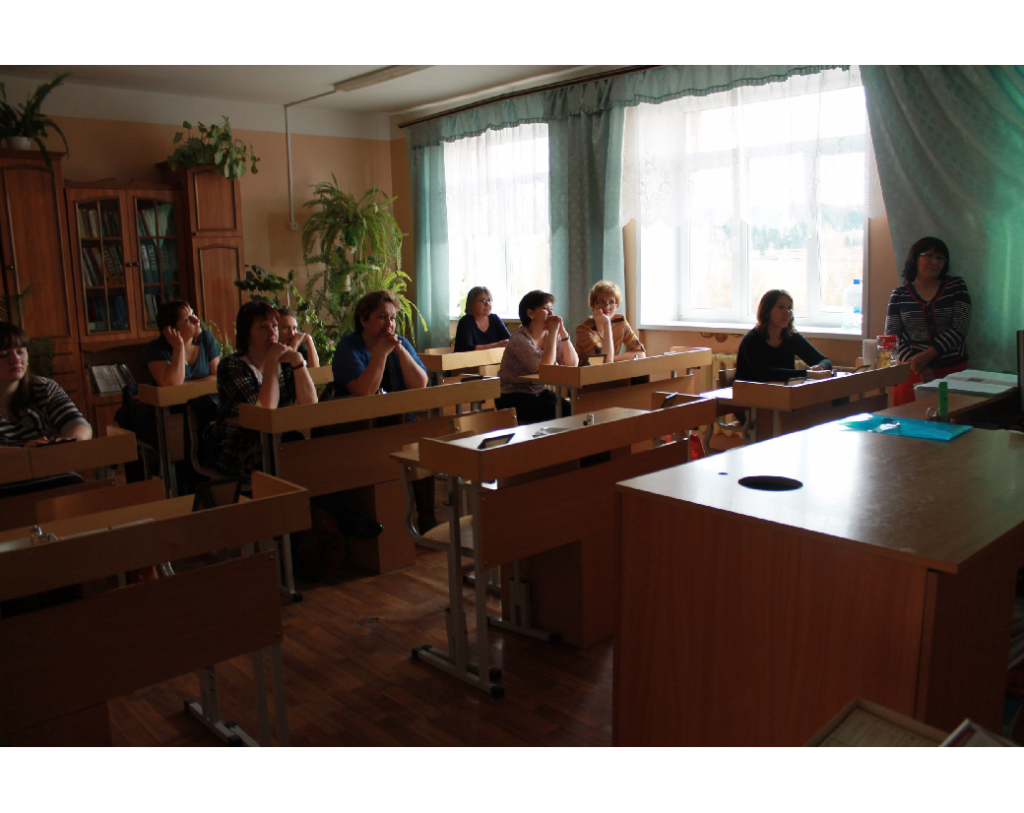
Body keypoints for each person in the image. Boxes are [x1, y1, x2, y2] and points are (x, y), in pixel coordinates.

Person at [212, 301, 317, 479]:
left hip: (278, 439)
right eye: (263, 327)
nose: (272, 333)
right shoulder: (232, 365)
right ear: (247, 334)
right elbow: (263, 413)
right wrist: (272, 361)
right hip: (240, 446)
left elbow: (309, 407)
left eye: (274, 326)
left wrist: (298, 361)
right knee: (291, 462)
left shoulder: (285, 361)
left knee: (317, 454)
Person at [884, 237, 971, 406]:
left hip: (952, 371)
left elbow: (960, 328)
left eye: (940, 258)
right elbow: (891, 337)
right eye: (929, 255)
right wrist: (918, 365)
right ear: (915, 258)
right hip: (911, 371)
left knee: (949, 418)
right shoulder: (900, 294)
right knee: (907, 419)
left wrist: (926, 356)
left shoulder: (956, 286)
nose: (935, 262)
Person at [1, 321, 93, 449]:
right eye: (4, 355)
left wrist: (71, 441)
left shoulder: (44, 387)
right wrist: (23, 453)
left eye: (20, 352)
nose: (16, 360)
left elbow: (77, 424)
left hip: (48, 460)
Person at [496, 290, 579, 424]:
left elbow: (572, 364)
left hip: (538, 391)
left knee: (573, 411)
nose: (551, 314)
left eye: (552, 309)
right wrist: (553, 332)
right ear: (530, 313)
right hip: (512, 394)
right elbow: (544, 368)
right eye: (545, 309)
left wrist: (563, 332)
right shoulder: (519, 338)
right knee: (557, 414)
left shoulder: (551, 334)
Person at [332, 290, 428, 397]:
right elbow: (364, 393)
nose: (389, 324)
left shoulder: (401, 343)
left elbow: (420, 385)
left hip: (399, 407)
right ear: (363, 320)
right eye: (382, 317)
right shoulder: (347, 348)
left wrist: (401, 351)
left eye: (392, 318)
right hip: (358, 408)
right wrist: (381, 352)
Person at [736, 290, 832, 382]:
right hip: (750, 392)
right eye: (781, 307)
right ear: (767, 312)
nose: (787, 312)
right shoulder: (751, 340)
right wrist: (808, 374)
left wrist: (820, 367)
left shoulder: (792, 337)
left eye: (790, 308)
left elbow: (824, 360)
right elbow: (765, 374)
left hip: (783, 391)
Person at [144, 300, 220, 386]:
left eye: (193, 313)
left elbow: (218, 377)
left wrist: (186, 385)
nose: (197, 320)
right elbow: (171, 385)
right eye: (187, 319)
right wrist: (178, 348)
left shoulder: (206, 338)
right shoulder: (155, 348)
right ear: (171, 329)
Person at [575, 280, 645, 365]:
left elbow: (641, 354)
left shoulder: (620, 322)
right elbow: (605, 362)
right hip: (587, 371)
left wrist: (614, 358)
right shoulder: (583, 329)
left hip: (611, 370)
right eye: (602, 302)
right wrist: (607, 324)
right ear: (593, 305)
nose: (607, 307)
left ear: (617, 306)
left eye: (611, 302)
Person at [453, 286, 510, 352]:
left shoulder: (494, 319)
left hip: (492, 358)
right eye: (482, 301)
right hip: (468, 358)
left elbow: (509, 340)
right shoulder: (465, 322)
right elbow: (467, 348)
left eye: (489, 300)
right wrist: (496, 345)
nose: (487, 304)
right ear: (472, 303)